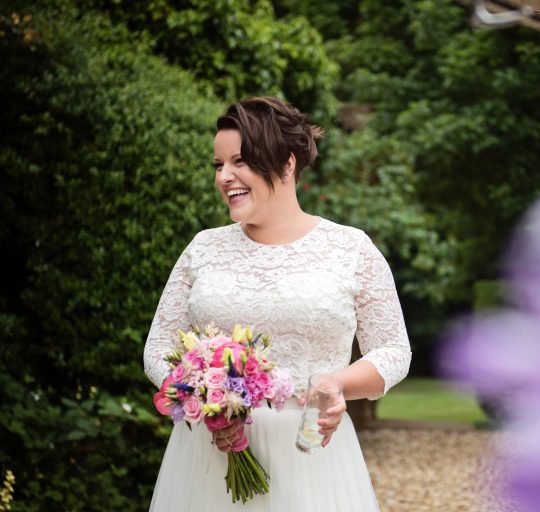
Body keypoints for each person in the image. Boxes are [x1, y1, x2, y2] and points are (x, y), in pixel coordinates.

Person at [143, 96, 411, 511]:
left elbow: (394, 351)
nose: (224, 177)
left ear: (287, 164)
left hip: (310, 454)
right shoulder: (203, 249)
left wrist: (338, 383)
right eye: (218, 165)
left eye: (239, 162)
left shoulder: (351, 249)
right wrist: (205, 403)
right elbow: (158, 351)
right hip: (209, 457)